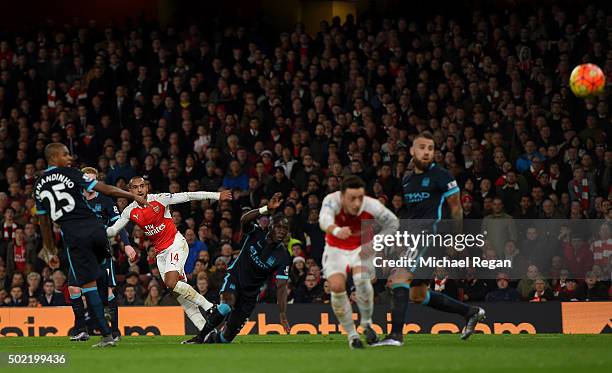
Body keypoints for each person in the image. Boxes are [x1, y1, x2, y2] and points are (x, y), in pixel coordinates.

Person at [377, 132, 484, 347]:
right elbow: (414, 214)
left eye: (431, 148)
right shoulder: (407, 181)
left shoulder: (442, 175)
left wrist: (457, 238)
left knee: (398, 279)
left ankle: (395, 336)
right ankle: (471, 312)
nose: (427, 152)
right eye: (422, 148)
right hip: (415, 238)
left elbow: (456, 208)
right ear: (412, 151)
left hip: (432, 236)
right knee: (418, 294)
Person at [34, 143, 146, 347]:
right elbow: (105, 188)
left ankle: (107, 335)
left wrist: (50, 252)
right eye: (65, 154)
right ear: (54, 156)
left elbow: (44, 224)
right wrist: (132, 196)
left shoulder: (39, 185)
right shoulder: (70, 173)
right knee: (102, 275)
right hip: (96, 230)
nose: (69, 157)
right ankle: (108, 320)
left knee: (87, 285)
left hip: (75, 237)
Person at [105, 176, 231, 342]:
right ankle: (205, 333)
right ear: (130, 191)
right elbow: (113, 230)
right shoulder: (129, 211)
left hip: (176, 244)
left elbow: (188, 196)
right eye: (135, 187)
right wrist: (92, 231)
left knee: (172, 283)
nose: (140, 190)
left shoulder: (160, 199)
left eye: (142, 186)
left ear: (147, 187)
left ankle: (210, 307)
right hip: (161, 254)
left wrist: (216, 195)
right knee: (178, 291)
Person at [185, 193, 290, 344]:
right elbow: (244, 219)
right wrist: (266, 208)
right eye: (279, 227)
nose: (282, 231)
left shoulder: (283, 256)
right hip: (235, 277)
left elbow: (281, 287)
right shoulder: (256, 233)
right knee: (227, 305)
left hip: (251, 294)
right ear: (271, 226)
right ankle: (199, 338)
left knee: (226, 338)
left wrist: (282, 314)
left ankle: (213, 338)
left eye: (285, 229)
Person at [319, 175, 399, 349]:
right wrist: (337, 230)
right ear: (342, 197)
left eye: (360, 198)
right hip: (335, 249)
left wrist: (375, 243)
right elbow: (324, 220)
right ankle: (352, 336)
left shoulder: (371, 205)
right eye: (352, 198)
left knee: (362, 281)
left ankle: (367, 324)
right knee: (337, 287)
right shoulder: (331, 200)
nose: (357, 203)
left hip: (361, 248)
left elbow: (393, 223)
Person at [65, 167, 134, 342]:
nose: (89, 183)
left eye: (92, 180)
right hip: (79, 252)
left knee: (108, 292)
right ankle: (81, 329)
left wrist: (126, 245)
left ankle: (115, 331)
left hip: (100, 250)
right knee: (73, 288)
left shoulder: (106, 201)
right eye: (86, 179)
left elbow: (118, 224)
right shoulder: (74, 200)